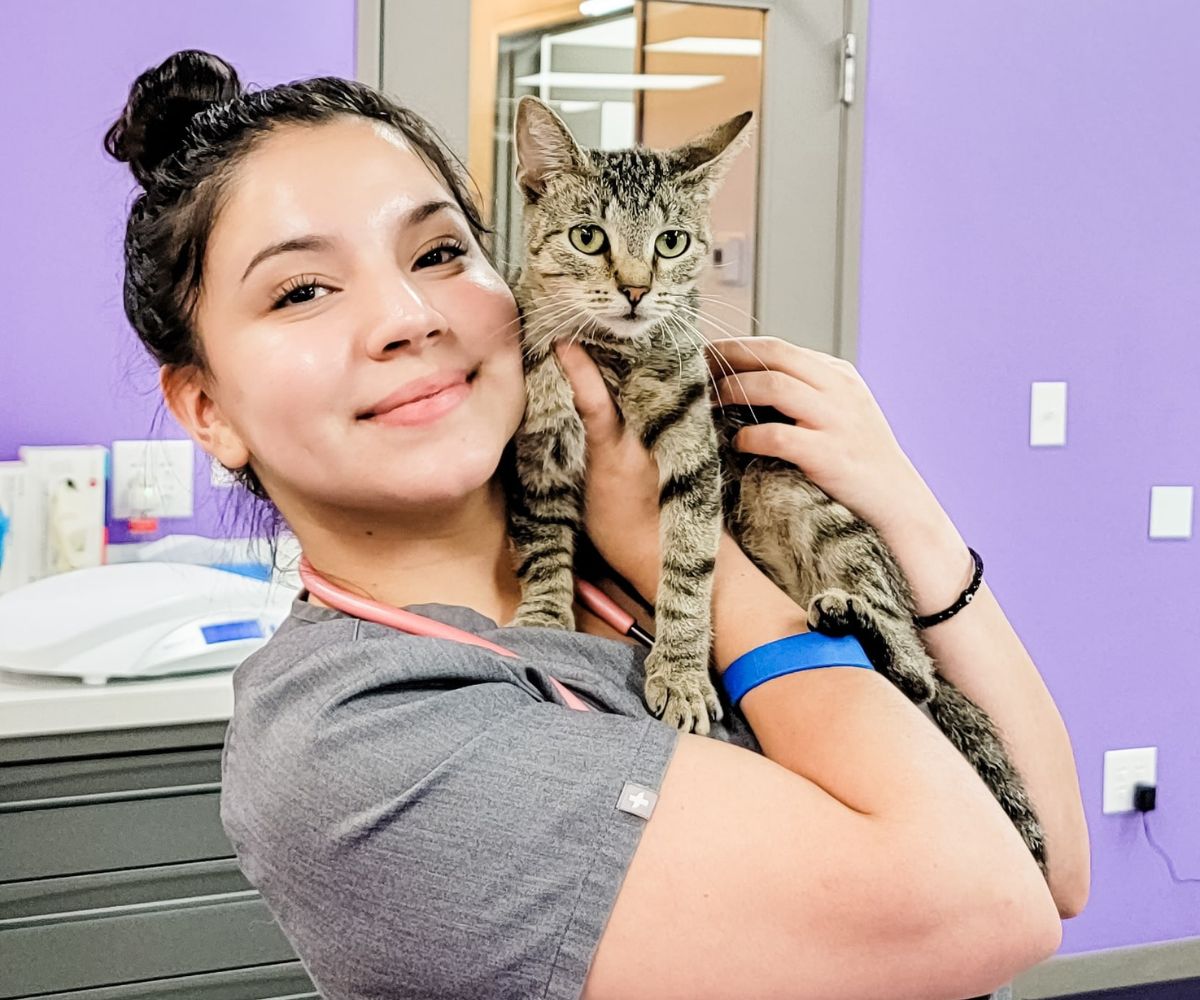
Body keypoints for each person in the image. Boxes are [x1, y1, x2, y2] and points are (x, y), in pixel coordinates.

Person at [105, 49, 1089, 1000]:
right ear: (209, 410)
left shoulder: (609, 521)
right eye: (302, 289)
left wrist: (910, 514)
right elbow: (988, 908)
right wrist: (683, 560)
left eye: (440, 250)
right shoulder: (360, 749)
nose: (408, 314)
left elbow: (1053, 863)